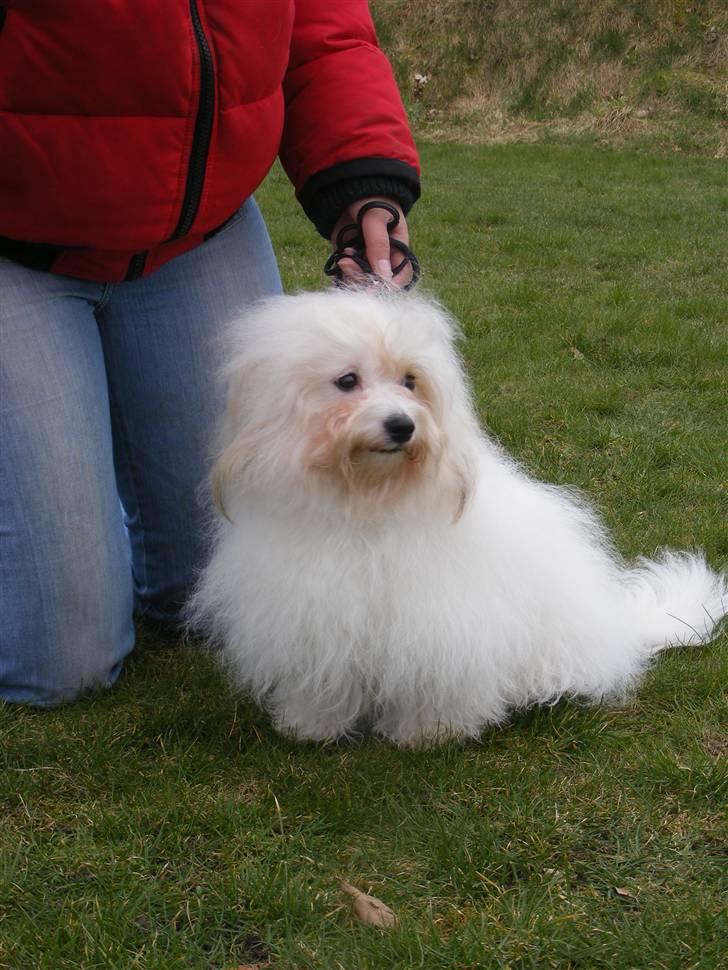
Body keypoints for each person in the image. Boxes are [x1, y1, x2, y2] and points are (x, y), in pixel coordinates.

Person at [0, 1, 420, 705]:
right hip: (15, 234)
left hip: (197, 232)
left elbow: (326, 32)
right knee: (61, 663)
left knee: (217, 586)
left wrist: (363, 182)